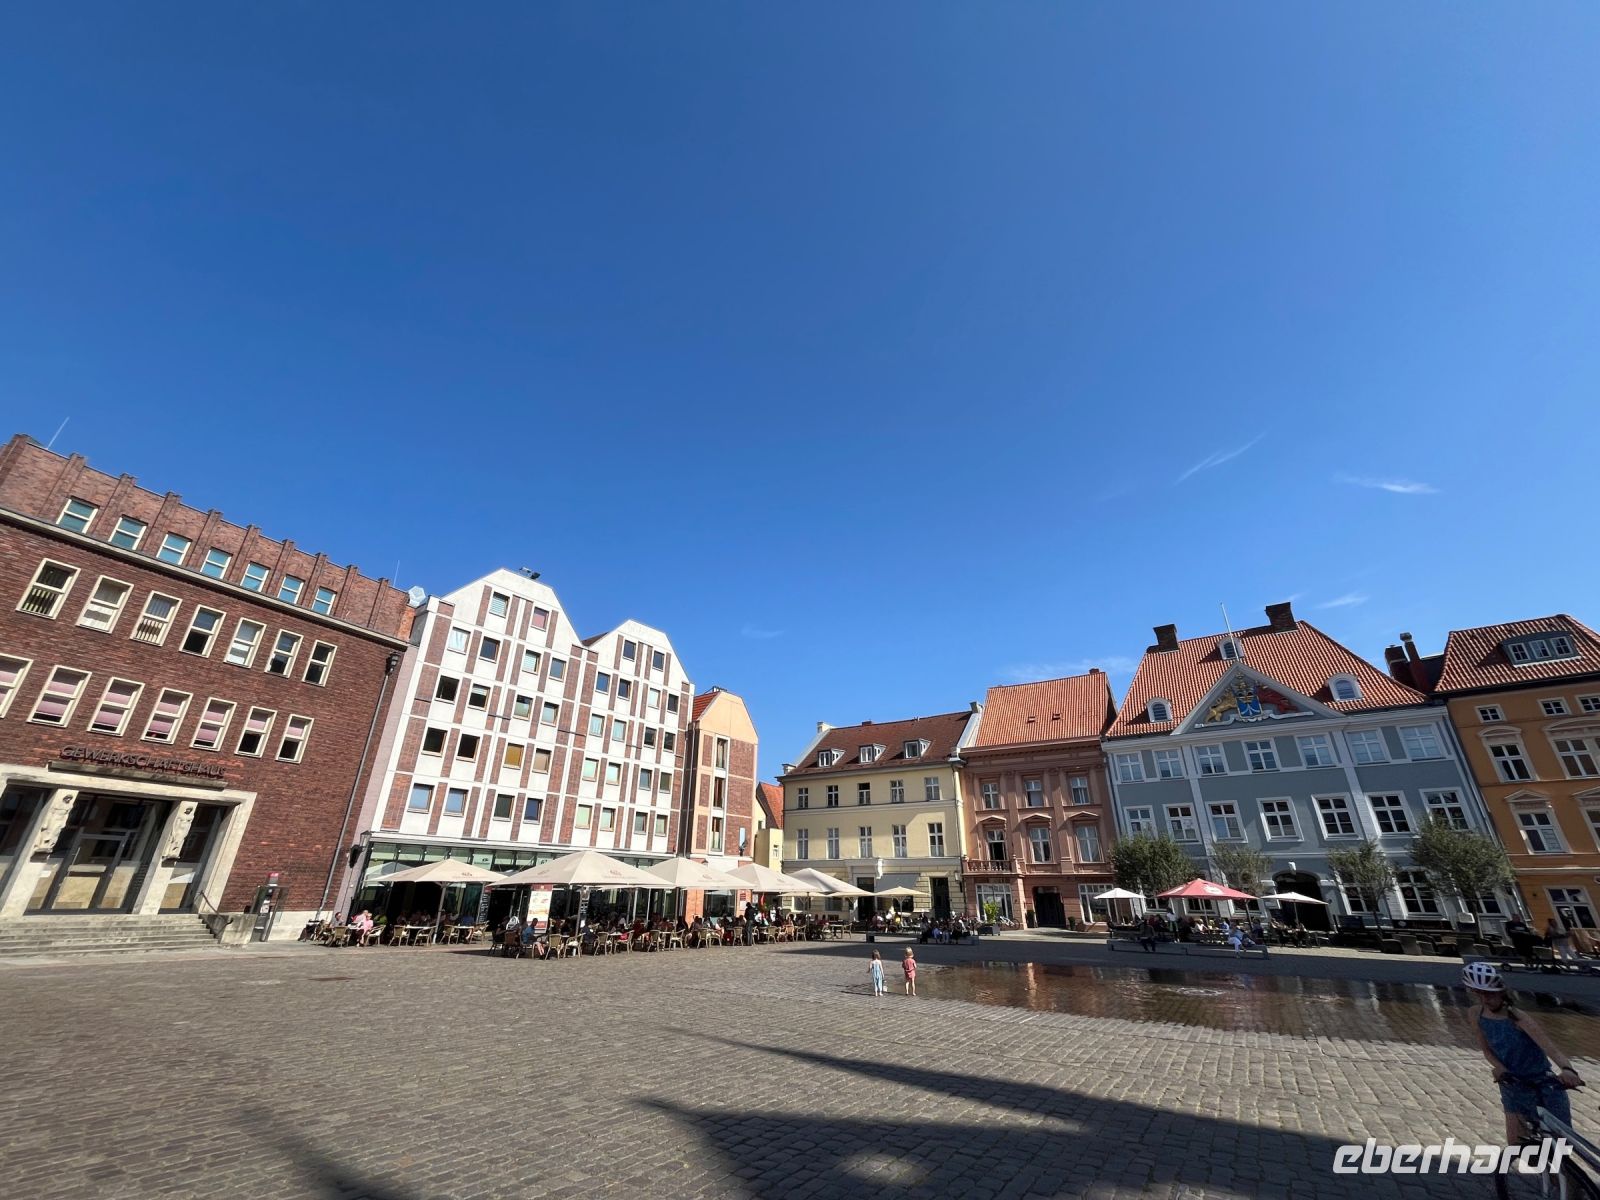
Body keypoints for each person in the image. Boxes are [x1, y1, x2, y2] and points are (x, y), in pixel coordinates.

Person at [1463, 961, 1585, 1145]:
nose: (1485, 999)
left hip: (1543, 1081)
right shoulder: (1475, 1014)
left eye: (1489, 993)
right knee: (1516, 1143)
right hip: (1513, 1083)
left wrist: (1568, 1069)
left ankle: (1561, 1171)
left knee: (1562, 1143)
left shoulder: (1517, 1017)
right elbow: (1487, 1050)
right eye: (1479, 993)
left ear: (1501, 992)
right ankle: (1541, 1168)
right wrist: (1500, 1068)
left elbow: (1550, 1048)